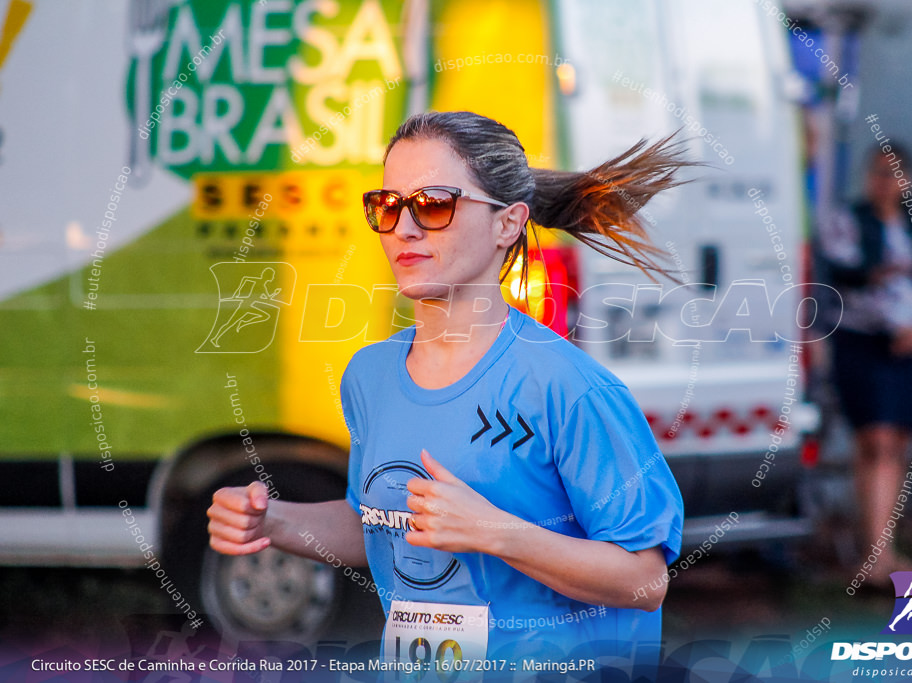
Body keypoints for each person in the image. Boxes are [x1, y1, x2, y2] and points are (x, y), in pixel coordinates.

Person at [207, 111, 686, 678]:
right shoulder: (370, 376)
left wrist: (495, 531)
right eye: (387, 207)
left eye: (434, 204)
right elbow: (380, 522)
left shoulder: (566, 387)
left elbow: (644, 579)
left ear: (507, 224)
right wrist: (276, 524)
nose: (404, 230)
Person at [817, 143, 912, 583]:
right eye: (878, 172)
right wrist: (893, 320)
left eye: (894, 173)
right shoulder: (849, 220)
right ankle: (875, 555)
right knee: (876, 441)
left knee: (896, 443)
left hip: (909, 346)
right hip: (864, 342)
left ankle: (884, 549)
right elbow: (848, 276)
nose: (886, 182)